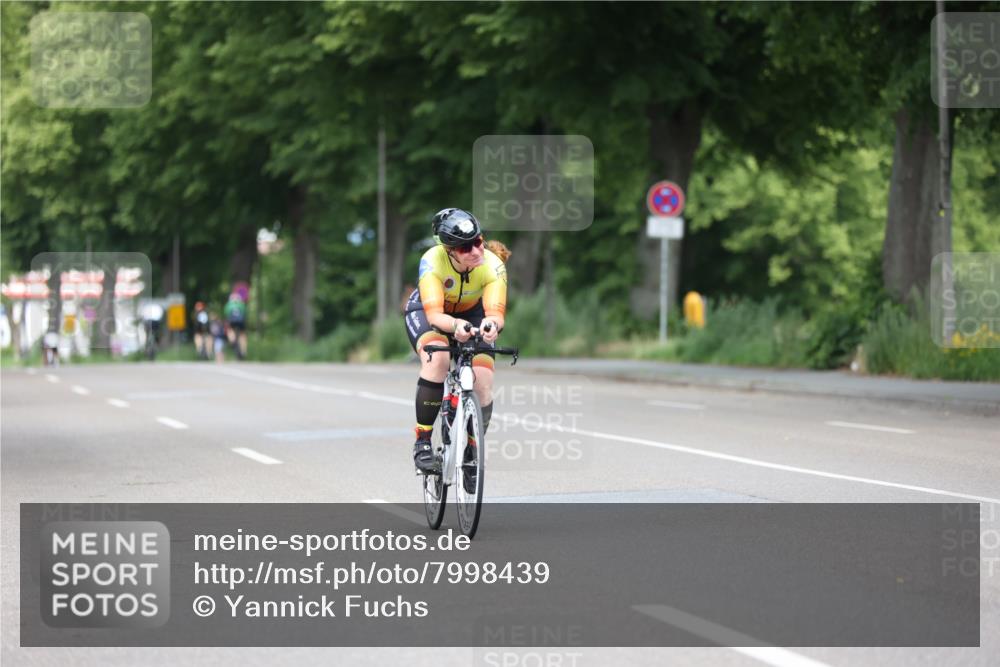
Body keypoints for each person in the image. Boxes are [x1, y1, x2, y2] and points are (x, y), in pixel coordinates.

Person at [403, 208, 510, 473]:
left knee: (483, 382)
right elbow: (436, 315)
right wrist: (455, 326)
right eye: (465, 248)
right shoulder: (432, 261)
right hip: (432, 313)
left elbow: (495, 313)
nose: (475, 251)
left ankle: (472, 450)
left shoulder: (492, 264)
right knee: (438, 359)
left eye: (478, 241)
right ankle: (423, 442)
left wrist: (491, 326)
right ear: (449, 250)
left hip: (473, 312)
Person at [223, 292, 248, 360]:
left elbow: (226, 314)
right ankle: (243, 351)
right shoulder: (241, 304)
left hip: (232, 321)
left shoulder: (228, 305)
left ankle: (233, 342)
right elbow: (245, 313)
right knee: (242, 334)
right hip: (241, 321)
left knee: (230, 331)